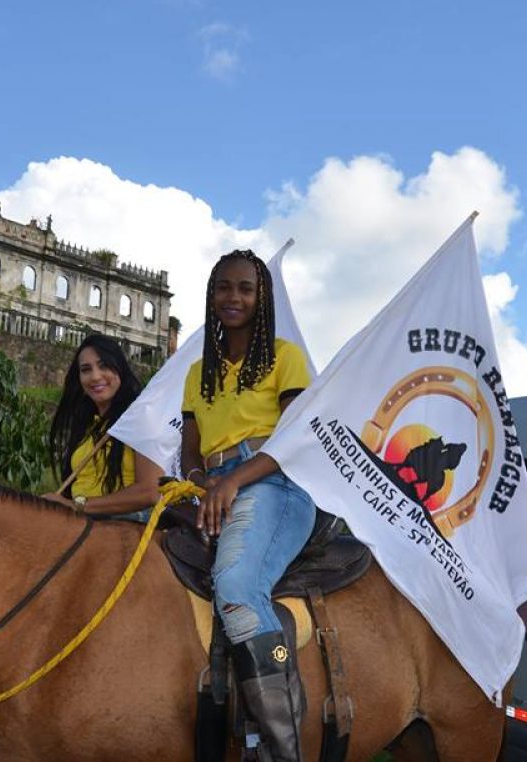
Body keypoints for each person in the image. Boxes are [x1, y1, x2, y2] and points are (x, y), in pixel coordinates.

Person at [180, 249, 315, 762]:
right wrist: (200, 483)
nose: (232, 297)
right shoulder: (198, 374)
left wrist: (233, 480)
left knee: (236, 586)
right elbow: (190, 451)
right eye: (223, 287)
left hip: (272, 483)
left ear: (262, 299)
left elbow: (294, 439)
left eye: (245, 288)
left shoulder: (286, 357)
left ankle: (280, 748)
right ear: (211, 296)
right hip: (210, 486)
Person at [43, 334, 161, 519]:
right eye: (86, 369)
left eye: (104, 365)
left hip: (124, 528)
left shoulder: (140, 417)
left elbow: (150, 491)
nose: (95, 376)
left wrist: (76, 505)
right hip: (78, 524)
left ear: (120, 368)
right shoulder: (86, 423)